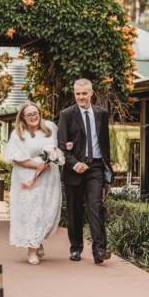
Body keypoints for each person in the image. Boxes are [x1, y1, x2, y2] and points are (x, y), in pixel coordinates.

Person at [57, 78, 114, 264]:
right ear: (75, 94)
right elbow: (61, 146)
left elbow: (104, 143)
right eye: (77, 93)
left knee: (95, 207)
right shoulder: (66, 114)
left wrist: (107, 166)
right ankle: (76, 248)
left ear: (91, 93)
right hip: (74, 169)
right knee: (74, 211)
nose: (81, 97)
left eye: (84, 93)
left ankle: (99, 251)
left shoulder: (102, 113)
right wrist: (74, 164)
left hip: (95, 166)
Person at [4, 101, 62, 265]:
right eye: (29, 114)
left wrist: (56, 156)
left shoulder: (50, 127)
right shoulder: (18, 133)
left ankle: (38, 239)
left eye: (35, 113)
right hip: (27, 176)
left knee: (48, 211)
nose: (33, 116)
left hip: (49, 177)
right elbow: (15, 158)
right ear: (22, 117)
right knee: (32, 212)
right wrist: (37, 165)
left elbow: (58, 147)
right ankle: (31, 250)